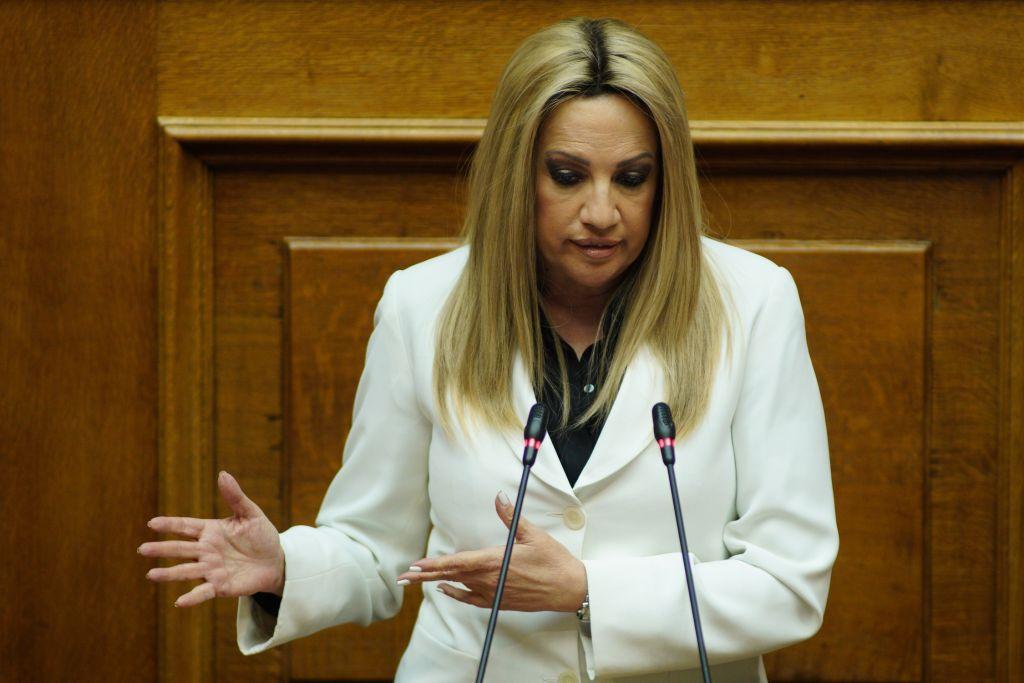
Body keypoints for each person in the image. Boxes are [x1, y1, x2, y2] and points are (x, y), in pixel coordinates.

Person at [140, 16, 838, 682]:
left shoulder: (753, 303)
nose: (602, 212)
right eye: (567, 174)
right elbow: (375, 549)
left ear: (665, 181)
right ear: (516, 172)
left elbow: (790, 582)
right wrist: (286, 567)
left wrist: (588, 590)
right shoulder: (422, 306)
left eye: (632, 178)